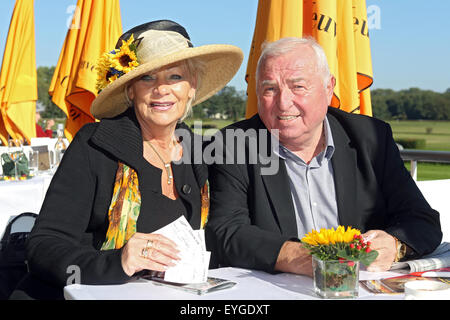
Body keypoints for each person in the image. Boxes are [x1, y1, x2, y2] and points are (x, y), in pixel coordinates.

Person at [12, 20, 242, 299]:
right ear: (131, 90)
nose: (161, 89)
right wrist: (116, 262)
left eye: (175, 77)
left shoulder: (198, 152)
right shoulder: (94, 144)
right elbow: (43, 246)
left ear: (192, 86)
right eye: (148, 78)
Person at [205, 37, 442, 277]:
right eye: (270, 89)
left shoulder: (371, 138)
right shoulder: (233, 144)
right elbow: (226, 232)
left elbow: (422, 220)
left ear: (329, 88)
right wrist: (300, 257)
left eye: (298, 87)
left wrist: (395, 244)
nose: (283, 103)